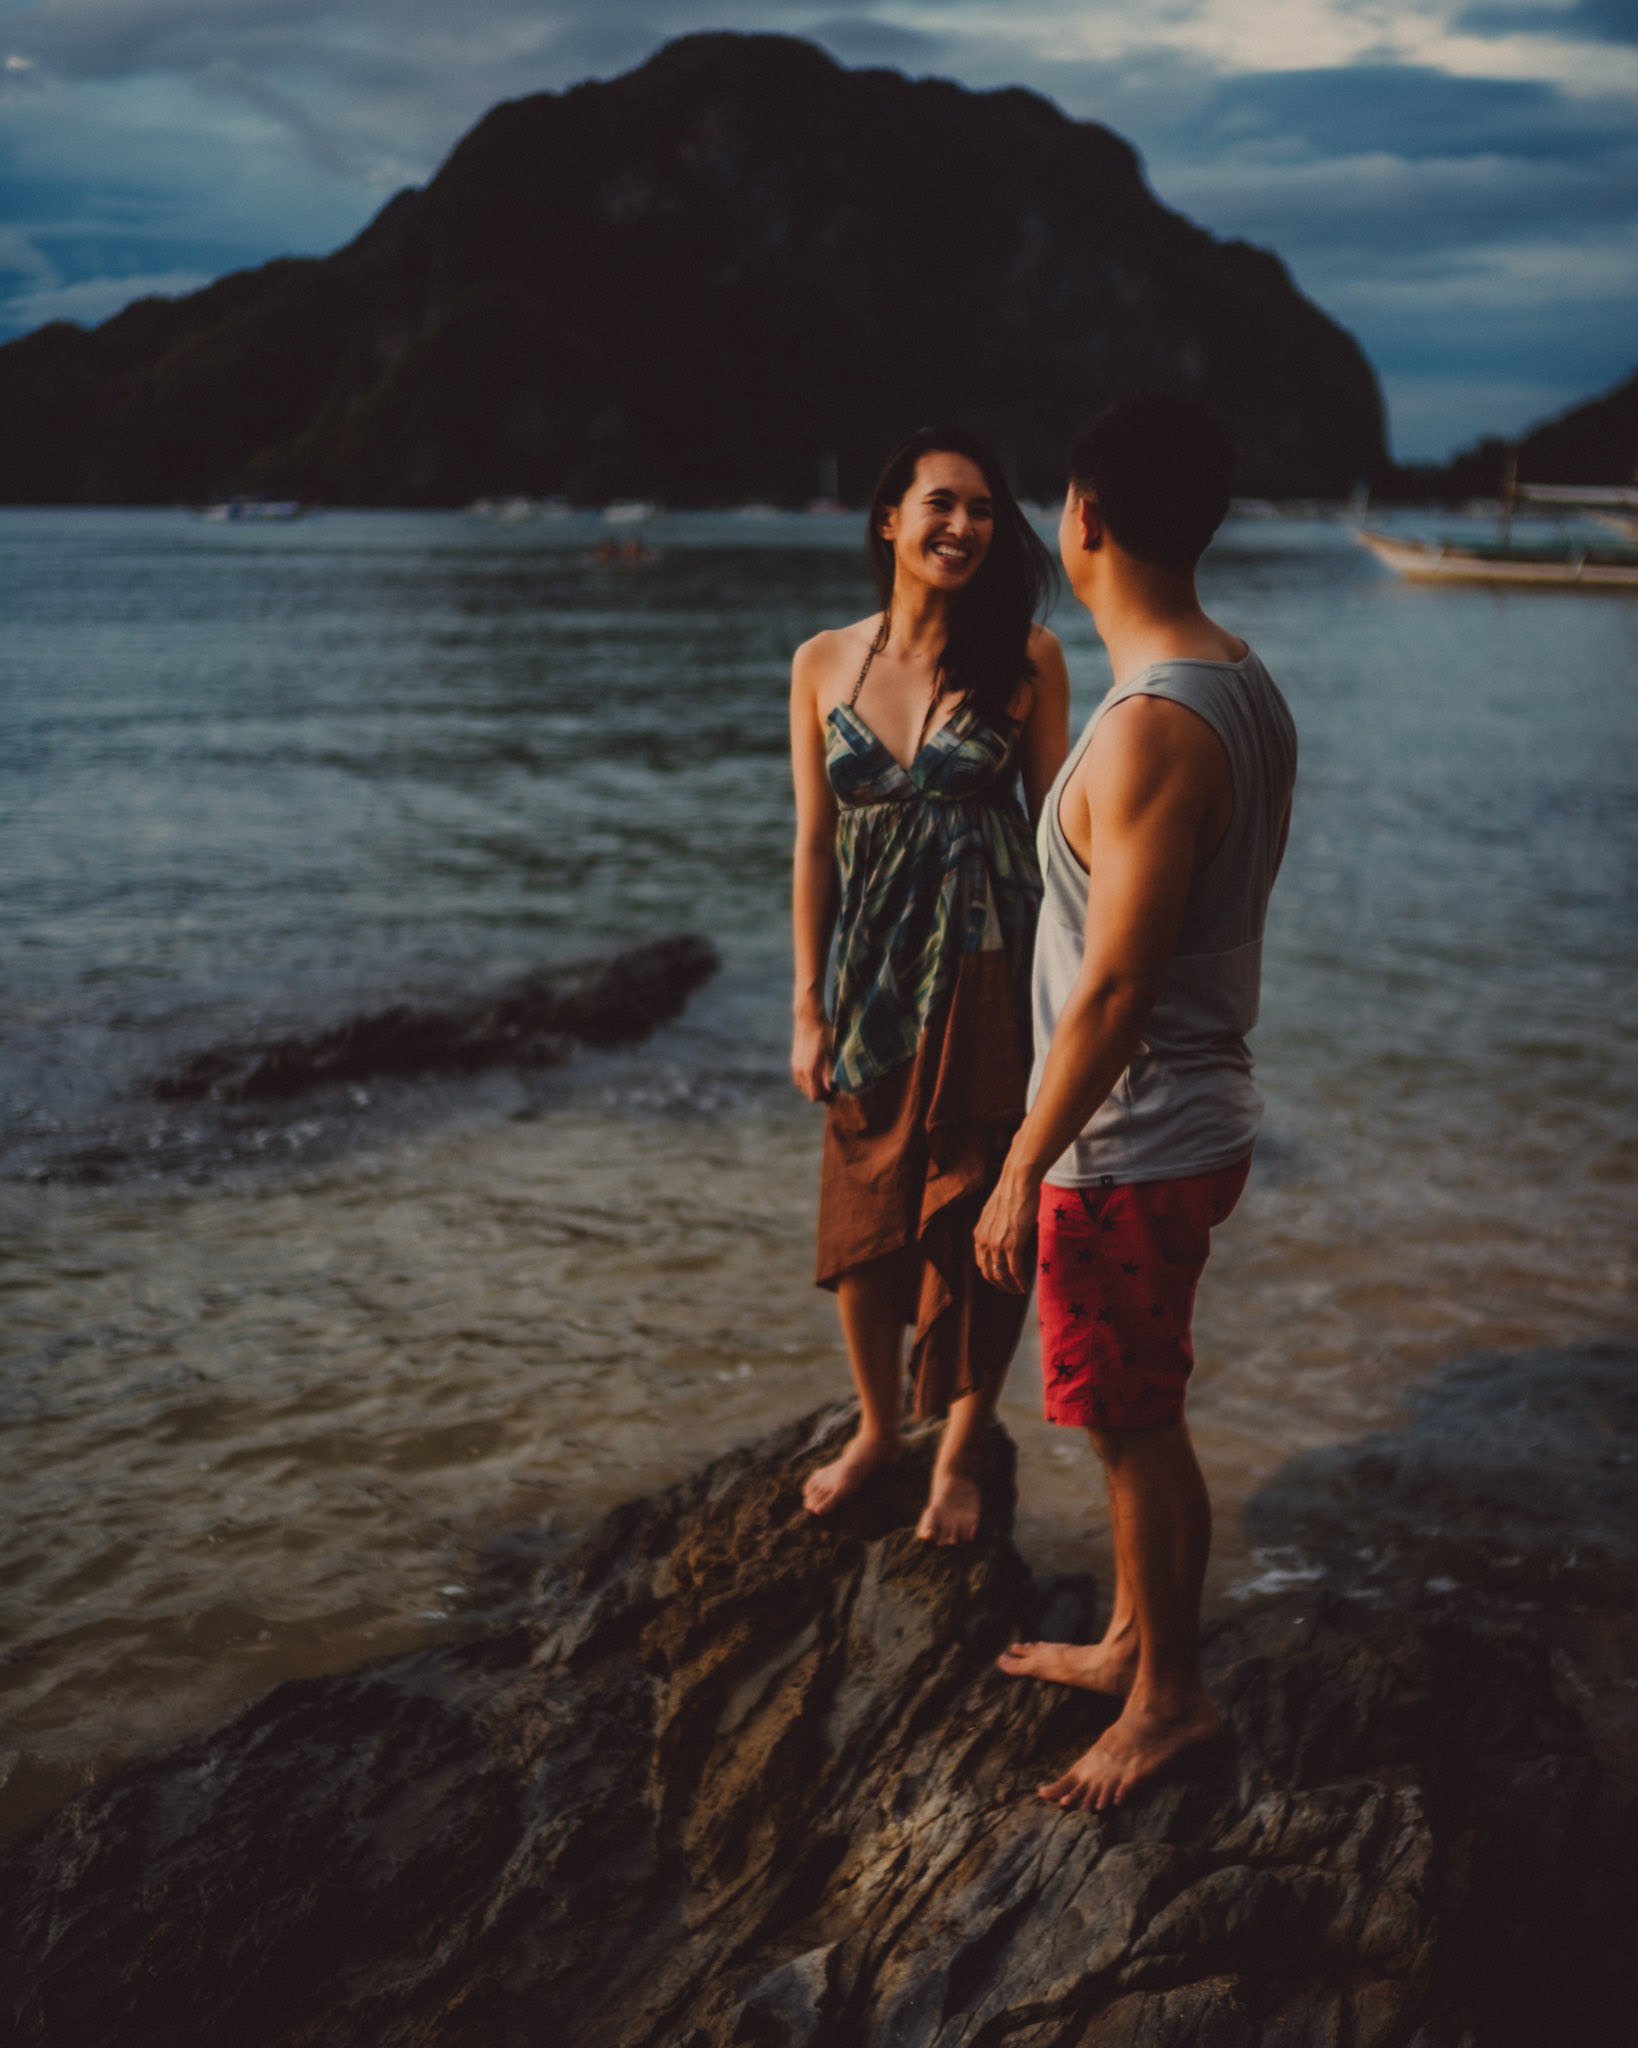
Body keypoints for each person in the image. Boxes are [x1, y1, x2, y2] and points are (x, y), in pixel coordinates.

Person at [974, 393, 1297, 1807]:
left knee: (1130, 1422)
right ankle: (1127, 1638)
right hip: (1184, 1116)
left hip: (1132, 1139)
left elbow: (1113, 990)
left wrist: (1017, 1166)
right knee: (1132, 1409)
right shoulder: (1236, 676)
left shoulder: (1155, 728)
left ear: (1082, 518)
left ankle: (1169, 1697)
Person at [789, 428, 1070, 1543]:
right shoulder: (821, 661)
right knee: (864, 1207)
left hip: (995, 966)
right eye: (941, 504)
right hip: (870, 978)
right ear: (889, 520)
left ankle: (960, 1440)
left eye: (985, 510)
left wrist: (1091, 992)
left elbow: (1059, 833)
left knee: (986, 1213)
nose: (964, 526)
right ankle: (876, 1426)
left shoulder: (1029, 657)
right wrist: (806, 1001)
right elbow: (814, 845)